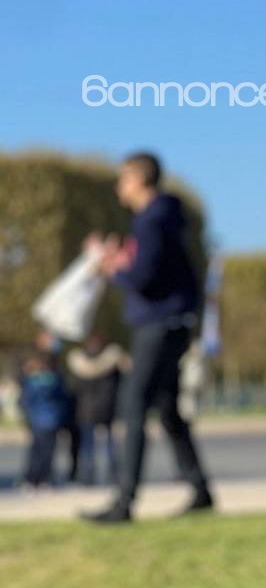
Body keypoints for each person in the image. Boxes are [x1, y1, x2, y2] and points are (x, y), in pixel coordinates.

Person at [82, 152, 214, 522]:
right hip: (172, 322)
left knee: (134, 404)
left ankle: (124, 501)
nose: (118, 186)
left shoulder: (151, 221)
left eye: (123, 179)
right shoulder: (162, 218)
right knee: (168, 409)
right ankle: (200, 490)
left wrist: (111, 267)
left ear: (139, 179)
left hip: (158, 324)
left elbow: (143, 278)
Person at [67, 333, 130, 486]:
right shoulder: (112, 360)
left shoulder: (78, 363)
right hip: (107, 408)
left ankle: (87, 477)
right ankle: (115, 476)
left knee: (87, 446)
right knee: (110, 445)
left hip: (85, 410)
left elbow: (74, 388)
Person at [18, 343, 71, 488]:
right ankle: (44, 478)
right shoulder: (56, 380)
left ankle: (31, 478)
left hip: (37, 420)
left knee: (36, 451)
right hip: (52, 419)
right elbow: (63, 400)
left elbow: (25, 401)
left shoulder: (32, 381)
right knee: (48, 451)